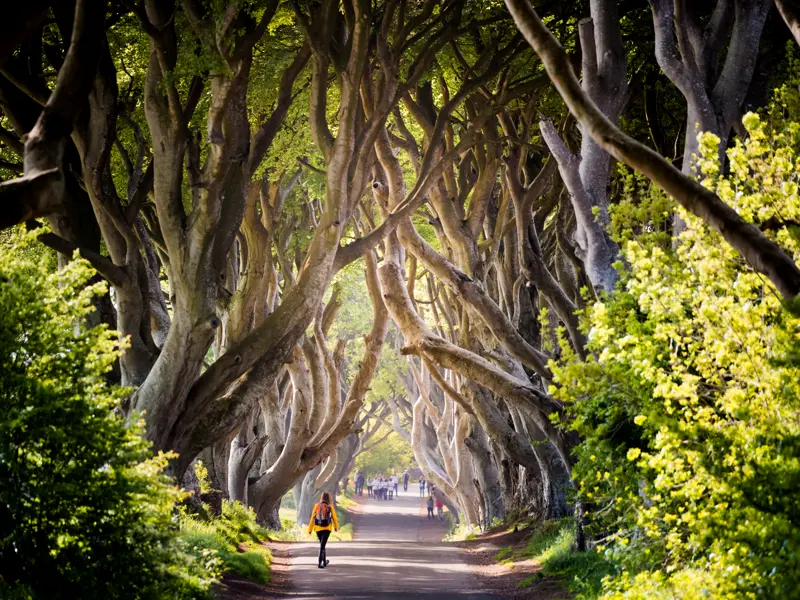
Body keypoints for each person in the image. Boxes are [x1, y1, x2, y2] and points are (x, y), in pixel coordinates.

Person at [308, 492, 339, 569]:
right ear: (329, 498)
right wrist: (336, 527)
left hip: (318, 528)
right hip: (327, 529)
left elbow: (312, 518)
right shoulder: (330, 506)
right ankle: (319, 563)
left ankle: (324, 562)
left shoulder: (316, 506)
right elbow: (334, 518)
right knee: (322, 546)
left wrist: (310, 529)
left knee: (322, 545)